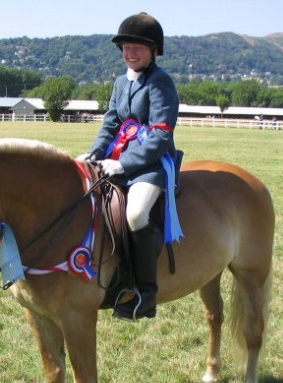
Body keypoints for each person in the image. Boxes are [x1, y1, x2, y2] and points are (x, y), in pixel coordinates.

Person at [84, 12, 181, 321]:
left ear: (153, 51)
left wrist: (123, 164)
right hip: (115, 161)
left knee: (136, 214)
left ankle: (146, 292)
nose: (130, 53)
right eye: (125, 47)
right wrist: (94, 154)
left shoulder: (160, 82)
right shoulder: (119, 82)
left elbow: (161, 135)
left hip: (150, 164)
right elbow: (110, 125)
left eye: (137, 47)